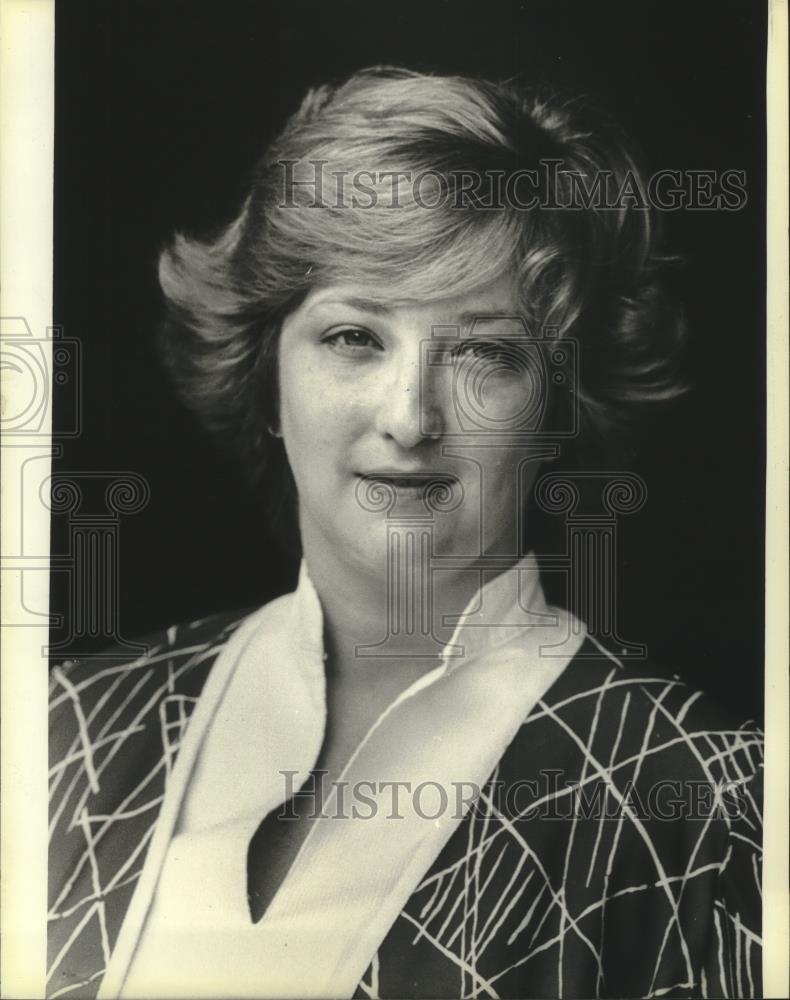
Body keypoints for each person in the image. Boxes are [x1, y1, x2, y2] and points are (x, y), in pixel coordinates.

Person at [48, 67, 763, 999]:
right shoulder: (68, 728)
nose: (412, 417)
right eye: (354, 337)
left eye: (485, 352)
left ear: (557, 407)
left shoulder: (714, 805)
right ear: (267, 380)